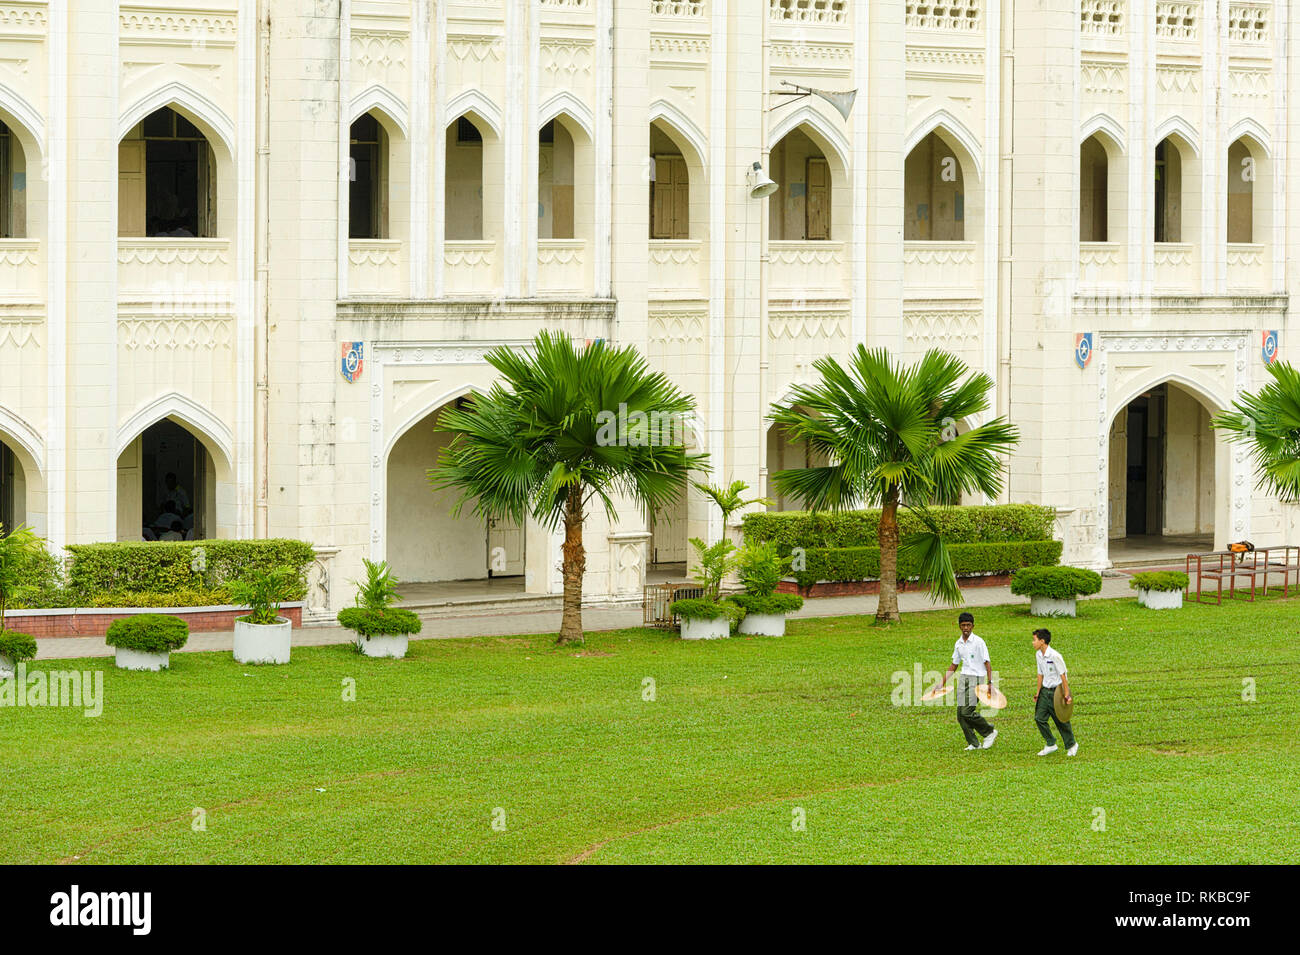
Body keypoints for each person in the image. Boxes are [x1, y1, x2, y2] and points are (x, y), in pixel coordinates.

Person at [937, 611, 998, 750]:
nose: (966, 628)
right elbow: (954, 664)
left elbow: (987, 663)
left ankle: (989, 731)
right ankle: (974, 743)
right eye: (963, 625)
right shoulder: (958, 644)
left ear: (973, 626)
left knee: (967, 712)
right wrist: (942, 682)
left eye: (968, 625)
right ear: (959, 626)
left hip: (977, 679)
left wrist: (990, 683)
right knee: (960, 715)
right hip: (964, 678)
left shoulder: (979, 642)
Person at [1031, 628, 1077, 757]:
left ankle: (1072, 744)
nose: (1033, 643)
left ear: (1042, 641)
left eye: (1034, 640)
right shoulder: (1038, 655)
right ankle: (1051, 743)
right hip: (1045, 691)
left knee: (1060, 720)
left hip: (1057, 691)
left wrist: (1066, 694)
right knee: (1039, 718)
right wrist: (1038, 692)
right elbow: (1040, 674)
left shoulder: (1055, 656)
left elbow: (1063, 676)